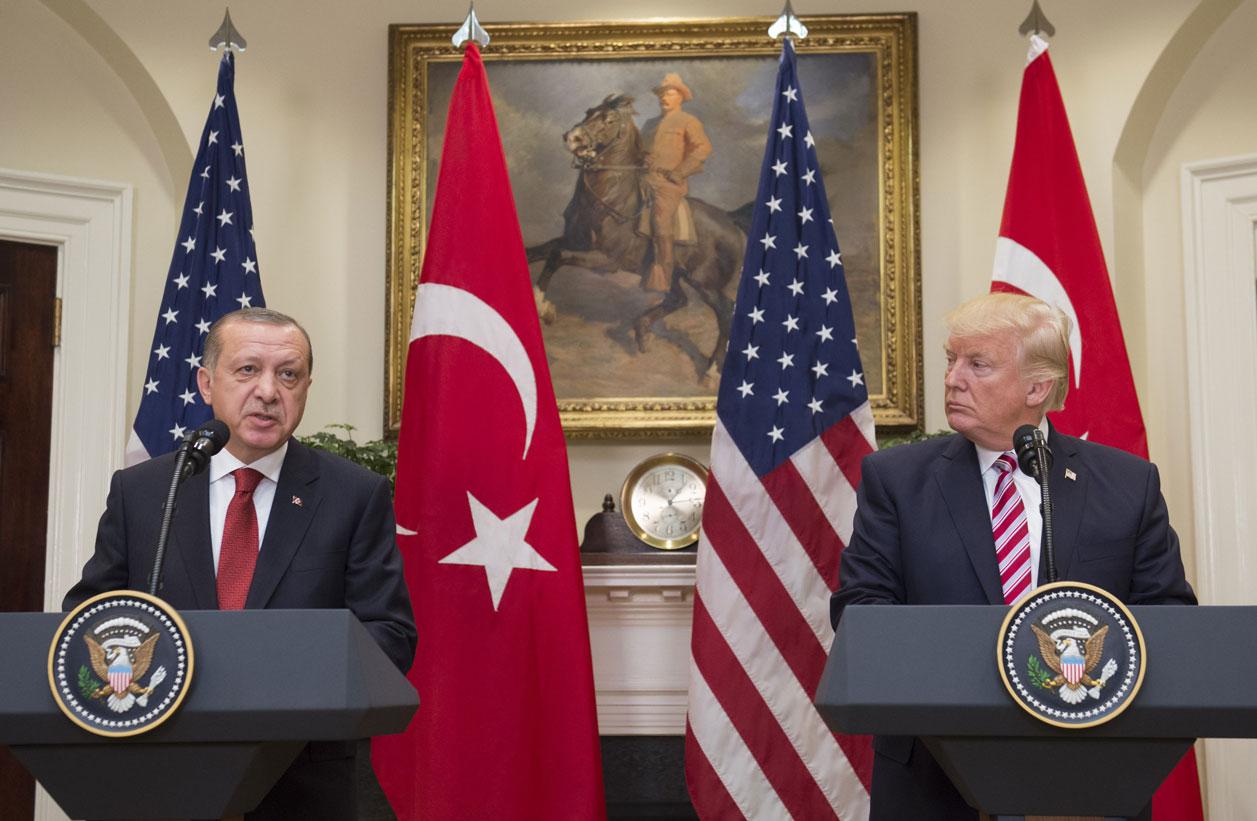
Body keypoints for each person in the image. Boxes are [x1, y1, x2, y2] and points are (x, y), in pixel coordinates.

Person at [830, 292, 1195, 820]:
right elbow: (860, 610)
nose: (953, 378)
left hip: (1091, 771)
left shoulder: (1127, 483)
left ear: (1037, 387)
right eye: (951, 359)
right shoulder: (897, 480)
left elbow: (1169, 616)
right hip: (936, 775)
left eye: (977, 364)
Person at [64, 307, 417, 820]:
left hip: (307, 783)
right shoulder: (142, 492)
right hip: (165, 773)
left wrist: (273, 670)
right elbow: (90, 615)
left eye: (288, 374)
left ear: (306, 388)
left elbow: (391, 636)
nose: (269, 391)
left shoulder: (353, 495)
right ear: (207, 383)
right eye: (247, 370)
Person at [641, 72, 712, 292]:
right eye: (662, 94)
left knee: (661, 222)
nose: (664, 97)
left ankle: (664, 277)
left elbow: (703, 148)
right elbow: (640, 151)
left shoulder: (688, 121)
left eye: (669, 93)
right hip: (643, 178)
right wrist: (642, 158)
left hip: (668, 184)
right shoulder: (649, 123)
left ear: (680, 97)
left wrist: (680, 172)